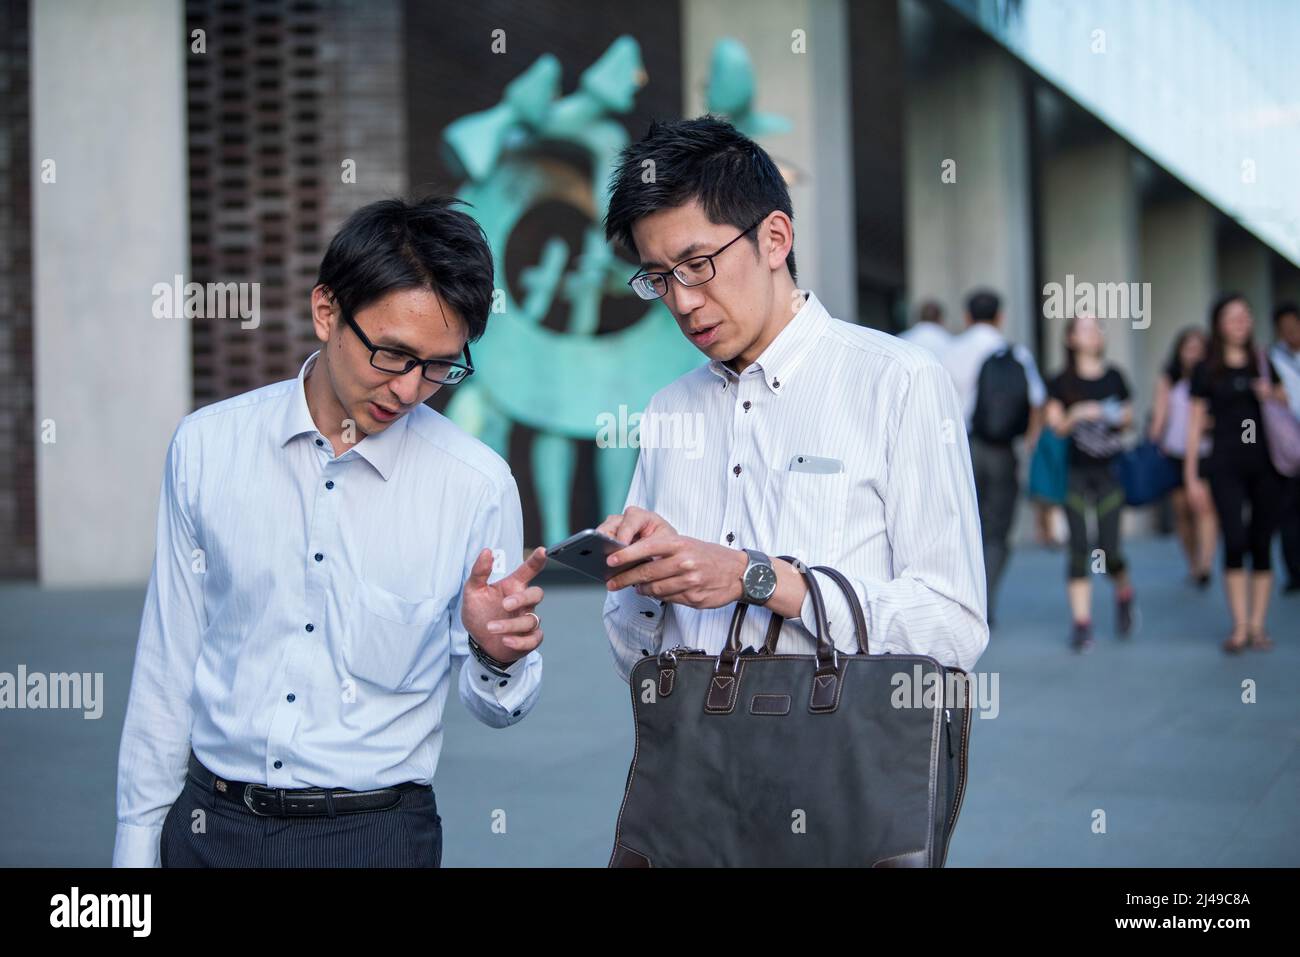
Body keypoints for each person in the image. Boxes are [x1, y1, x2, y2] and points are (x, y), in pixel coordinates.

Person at [113, 197, 548, 868]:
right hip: (208, 827)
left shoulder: (475, 484)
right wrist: (136, 847)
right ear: (326, 311)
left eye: (439, 366)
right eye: (393, 354)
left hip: (374, 836)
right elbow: (167, 665)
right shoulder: (207, 448)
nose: (409, 390)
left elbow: (500, 707)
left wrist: (497, 654)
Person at [598, 115, 988, 690]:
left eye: (698, 265)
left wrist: (760, 579)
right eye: (658, 278)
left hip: (836, 757)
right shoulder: (669, 410)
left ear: (775, 238)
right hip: (695, 763)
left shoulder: (897, 381)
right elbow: (635, 658)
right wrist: (646, 581)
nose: (681, 301)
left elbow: (953, 629)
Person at [1185, 293, 1289, 652]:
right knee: (1234, 538)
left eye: (1245, 315)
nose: (1241, 322)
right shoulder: (1207, 368)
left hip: (1266, 464)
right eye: (1233, 316)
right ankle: (1239, 626)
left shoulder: (1263, 360)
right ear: (1218, 323)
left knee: (1261, 542)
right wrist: (1191, 475)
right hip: (1225, 464)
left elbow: (1289, 401)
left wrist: (1271, 393)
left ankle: (1259, 625)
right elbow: (1195, 423)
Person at [940, 288, 1046, 627]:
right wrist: (1029, 442)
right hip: (1001, 452)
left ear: (967, 316)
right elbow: (1037, 401)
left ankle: (961, 598)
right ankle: (984, 603)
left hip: (960, 448)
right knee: (997, 530)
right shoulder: (1013, 352)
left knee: (960, 525)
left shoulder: (949, 350)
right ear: (1000, 316)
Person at [1044, 313, 1136, 653]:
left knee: (1109, 550)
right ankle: (1082, 624)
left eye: (1095, 326)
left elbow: (1127, 418)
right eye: (1083, 327)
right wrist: (1079, 412)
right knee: (1080, 547)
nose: (1091, 331)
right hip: (1075, 474)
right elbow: (1056, 426)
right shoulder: (1059, 382)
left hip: (1110, 473)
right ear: (1069, 338)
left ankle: (1124, 590)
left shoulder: (1114, 377)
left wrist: (1107, 412)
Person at [1148, 326, 1216, 588]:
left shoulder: (1212, 379)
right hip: (1174, 452)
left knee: (1203, 506)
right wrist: (1151, 443)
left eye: (1199, 350)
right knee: (1182, 511)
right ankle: (1192, 560)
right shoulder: (1169, 380)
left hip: (1204, 451)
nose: (1193, 355)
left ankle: (1205, 564)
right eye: (1189, 349)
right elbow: (1159, 416)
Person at [1269, 301, 1300, 594]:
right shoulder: (1271, 359)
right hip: (1286, 449)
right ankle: (1294, 572)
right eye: (1285, 329)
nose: (1291, 333)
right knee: (1289, 512)